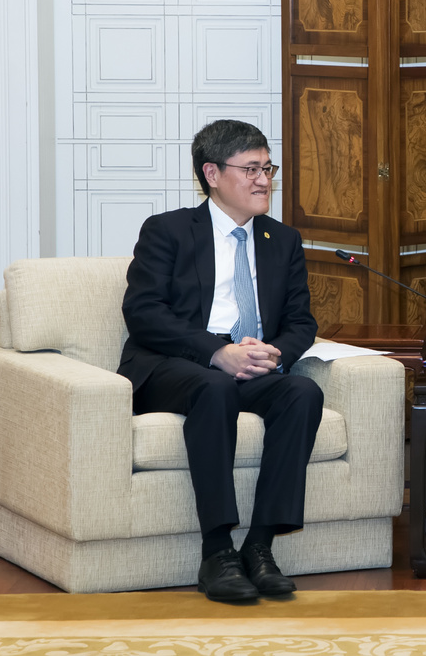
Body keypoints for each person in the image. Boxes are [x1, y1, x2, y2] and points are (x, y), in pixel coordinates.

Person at [117, 120, 321, 602]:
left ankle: (259, 547)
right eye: (250, 169)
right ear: (212, 173)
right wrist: (216, 352)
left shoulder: (283, 240)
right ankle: (217, 552)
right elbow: (143, 313)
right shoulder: (168, 230)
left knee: (302, 392)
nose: (264, 180)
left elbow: (301, 322)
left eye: (267, 168)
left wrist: (274, 354)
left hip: (250, 362)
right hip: (174, 364)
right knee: (215, 385)